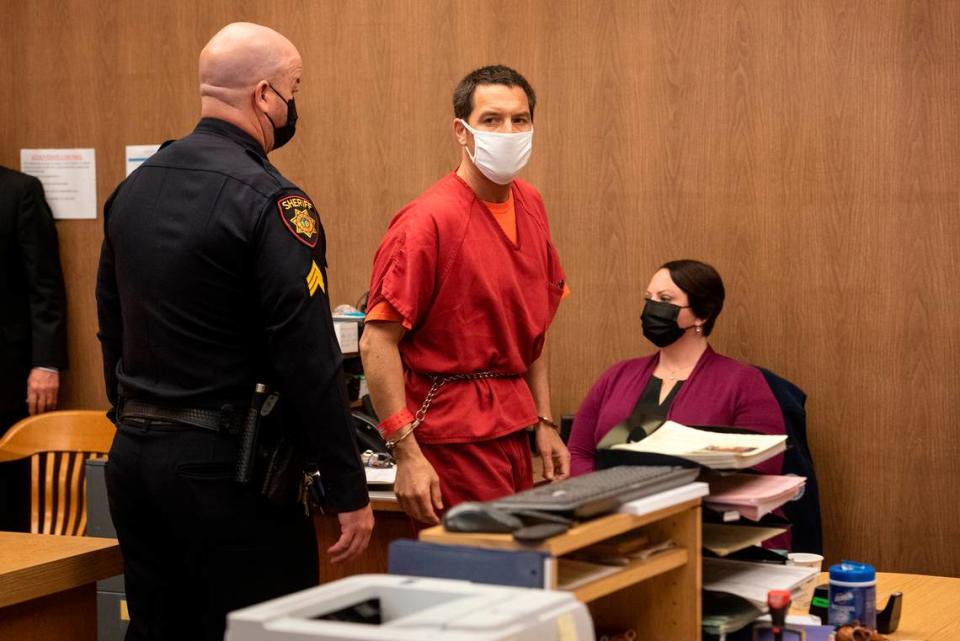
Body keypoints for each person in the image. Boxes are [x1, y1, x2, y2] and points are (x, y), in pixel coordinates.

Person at [96, 22, 372, 640]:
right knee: (265, 631)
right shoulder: (271, 201)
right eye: (294, 88)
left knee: (158, 630)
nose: (294, 103)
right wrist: (347, 484)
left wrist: (136, 417)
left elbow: (111, 323)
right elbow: (307, 356)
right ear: (265, 95)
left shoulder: (134, 189)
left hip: (135, 461)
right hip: (228, 472)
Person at [360, 65, 570, 526]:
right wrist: (406, 452)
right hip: (451, 433)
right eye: (492, 120)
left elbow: (532, 327)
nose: (508, 131)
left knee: (520, 575)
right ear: (462, 130)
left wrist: (545, 422)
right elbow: (377, 342)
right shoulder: (426, 222)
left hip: (514, 427)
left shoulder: (530, 204)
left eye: (520, 119)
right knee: (476, 578)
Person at [568, 259, 786, 476]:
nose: (651, 307)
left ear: (702, 315)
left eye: (664, 299)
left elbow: (762, 466)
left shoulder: (744, 381)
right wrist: (601, 495)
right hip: (612, 505)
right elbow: (578, 452)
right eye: (648, 298)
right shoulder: (617, 375)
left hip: (700, 506)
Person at [0, 165, 67, 532]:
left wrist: (47, 363)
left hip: (8, 375)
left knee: (9, 494)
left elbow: (44, 285)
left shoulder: (19, 191)